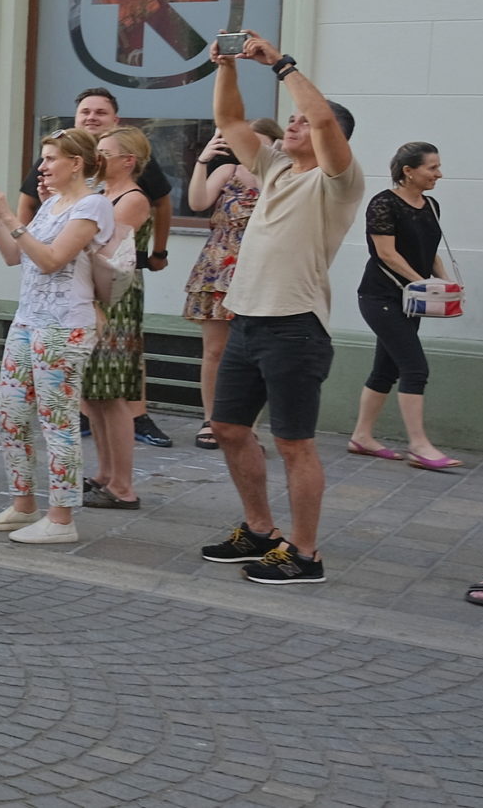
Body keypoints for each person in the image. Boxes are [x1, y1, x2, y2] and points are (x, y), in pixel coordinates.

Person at [198, 31, 362, 587]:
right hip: (246, 320)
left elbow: (323, 121)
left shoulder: (337, 181)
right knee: (227, 427)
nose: (292, 125)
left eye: (300, 122)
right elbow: (230, 120)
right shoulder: (274, 169)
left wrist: (281, 64)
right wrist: (225, 66)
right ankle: (260, 529)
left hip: (295, 328)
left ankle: (306, 553)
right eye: (288, 120)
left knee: (294, 443)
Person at [0, 129, 112, 545]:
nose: (42, 167)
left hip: (64, 326)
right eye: (43, 158)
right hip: (28, 320)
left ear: (76, 164)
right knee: (11, 415)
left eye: (50, 159)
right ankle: (23, 505)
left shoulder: (93, 205)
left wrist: (10, 215)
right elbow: (14, 255)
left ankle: (61, 518)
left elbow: (51, 260)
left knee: (58, 421)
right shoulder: (52, 203)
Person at [16, 86, 179, 449]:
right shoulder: (62, 159)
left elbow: (146, 213)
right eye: (85, 112)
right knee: (94, 376)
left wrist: (159, 252)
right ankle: (94, 434)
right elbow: (29, 202)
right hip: (71, 285)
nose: (91, 117)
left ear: (114, 120)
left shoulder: (125, 168)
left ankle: (135, 420)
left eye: (100, 112)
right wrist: (35, 236)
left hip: (105, 283)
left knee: (115, 371)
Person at [351, 142, 457, 471]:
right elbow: (386, 254)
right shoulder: (383, 203)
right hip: (380, 297)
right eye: (432, 168)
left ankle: (361, 437)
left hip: (411, 299)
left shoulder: (431, 205)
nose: (439, 174)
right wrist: (422, 282)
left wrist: (445, 282)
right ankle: (419, 445)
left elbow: (429, 249)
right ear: (408, 171)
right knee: (415, 368)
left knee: (386, 370)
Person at [180, 118, 282, 450]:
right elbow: (197, 203)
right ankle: (210, 419)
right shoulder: (229, 171)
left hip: (261, 269)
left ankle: (247, 425)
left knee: (256, 352)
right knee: (215, 350)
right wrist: (203, 161)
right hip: (218, 266)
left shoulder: (282, 178)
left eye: (258, 142)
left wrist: (274, 166)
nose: (250, 148)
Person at [80, 126, 154, 510]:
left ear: (128, 161)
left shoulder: (132, 199)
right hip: (94, 294)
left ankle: (123, 485)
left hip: (116, 299)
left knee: (112, 394)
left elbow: (104, 249)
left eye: (104, 153)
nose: (97, 159)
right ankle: (105, 473)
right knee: (94, 395)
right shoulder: (101, 193)